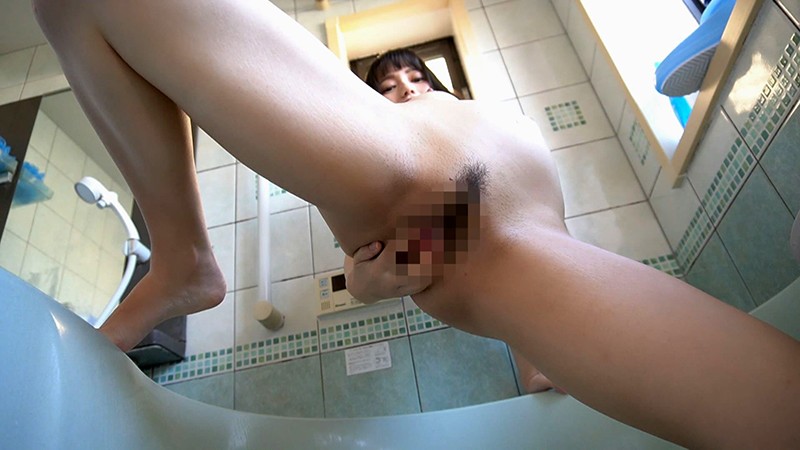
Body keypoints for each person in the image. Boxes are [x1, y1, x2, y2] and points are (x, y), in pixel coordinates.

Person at [31, 0, 799, 448]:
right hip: (442, 201)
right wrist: (369, 281)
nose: (405, 82)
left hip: (475, 206)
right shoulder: (380, 128)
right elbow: (389, 265)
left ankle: (182, 262)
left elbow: (529, 237)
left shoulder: (459, 114)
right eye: (389, 79)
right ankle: (182, 263)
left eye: (416, 74)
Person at [356, 47, 563, 395]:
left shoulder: (480, 128)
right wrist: (361, 282)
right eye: (389, 86)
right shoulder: (374, 163)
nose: (407, 88)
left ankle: (547, 366)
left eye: (417, 78)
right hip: (446, 270)